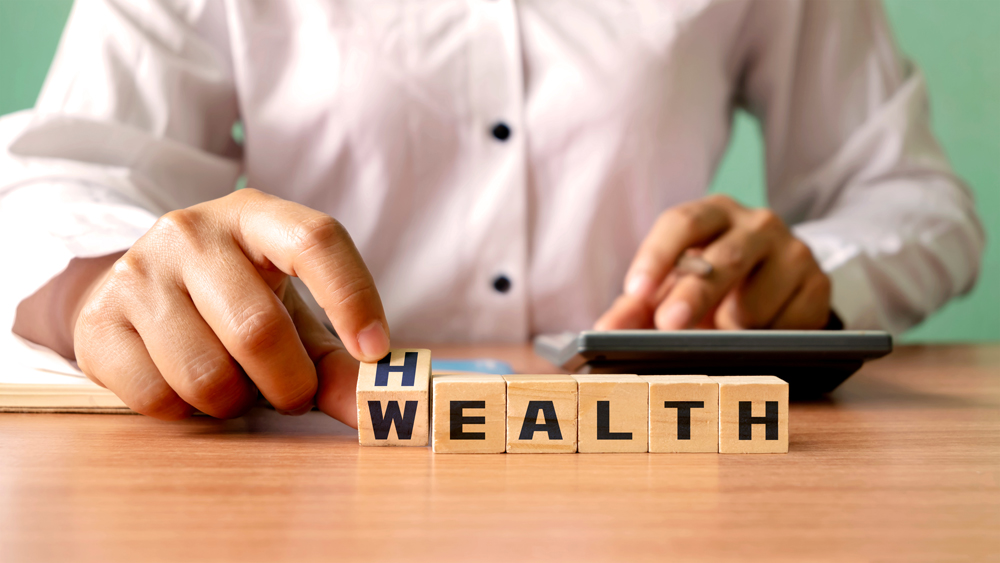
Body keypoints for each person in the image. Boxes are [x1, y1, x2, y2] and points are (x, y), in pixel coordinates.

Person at [0, 0, 983, 423]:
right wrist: (106, 281)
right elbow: (54, 176)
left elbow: (913, 196)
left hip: (660, 490)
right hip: (302, 463)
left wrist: (812, 275)